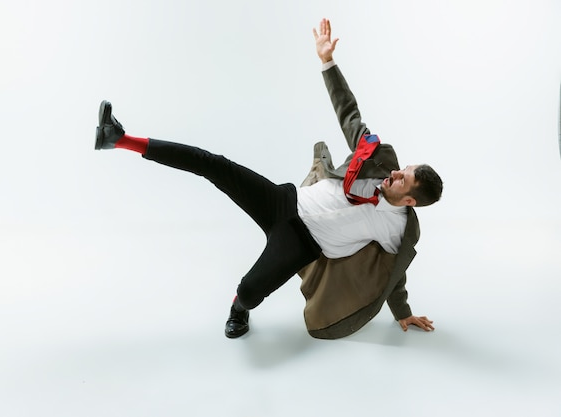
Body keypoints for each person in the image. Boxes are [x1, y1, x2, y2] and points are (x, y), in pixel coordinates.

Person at [94, 18, 443, 340]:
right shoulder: (379, 159)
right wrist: (327, 61)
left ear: (410, 201)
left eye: (403, 180)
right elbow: (350, 114)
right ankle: (118, 138)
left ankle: (237, 310)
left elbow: (395, 273)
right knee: (212, 164)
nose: (395, 174)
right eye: (403, 169)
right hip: (284, 200)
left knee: (250, 290)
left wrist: (404, 313)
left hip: (302, 242)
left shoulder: (397, 229)